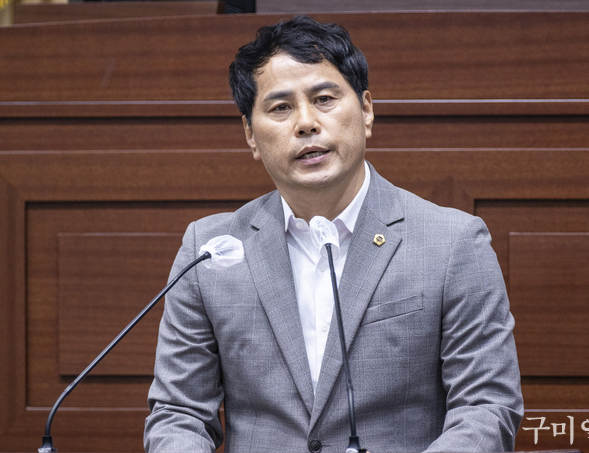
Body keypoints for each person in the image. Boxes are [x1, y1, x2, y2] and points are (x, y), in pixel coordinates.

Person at [144, 15, 523, 453]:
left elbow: (486, 407)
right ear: (250, 134)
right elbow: (179, 414)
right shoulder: (209, 251)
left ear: (366, 110)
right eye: (280, 108)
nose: (306, 123)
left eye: (324, 99)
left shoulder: (452, 243)